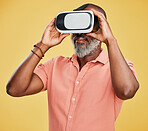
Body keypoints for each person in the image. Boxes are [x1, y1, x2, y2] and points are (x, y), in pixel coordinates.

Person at [6, 3, 139, 131]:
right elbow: (14, 89)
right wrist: (43, 45)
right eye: (76, 26)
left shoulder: (120, 67)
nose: (80, 33)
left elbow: (127, 91)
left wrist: (110, 40)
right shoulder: (54, 66)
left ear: (102, 28)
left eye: (87, 24)